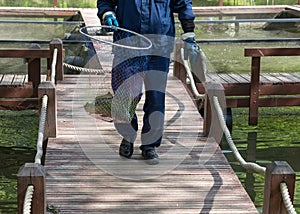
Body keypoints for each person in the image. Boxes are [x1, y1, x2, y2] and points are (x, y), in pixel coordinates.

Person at [97, 0, 199, 165]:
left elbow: (183, 3)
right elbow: (105, 2)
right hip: (127, 45)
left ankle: (150, 145)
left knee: (156, 98)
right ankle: (128, 135)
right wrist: (106, 13)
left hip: (159, 47)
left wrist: (189, 34)